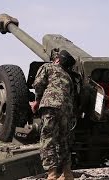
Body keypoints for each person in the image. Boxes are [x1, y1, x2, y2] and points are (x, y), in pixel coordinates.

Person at [30, 49, 76, 180]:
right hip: (66, 110)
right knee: (63, 140)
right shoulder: (68, 77)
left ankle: (52, 174)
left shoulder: (47, 67)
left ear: (57, 60)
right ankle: (67, 173)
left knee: (48, 139)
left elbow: (38, 84)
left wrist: (37, 101)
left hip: (50, 106)